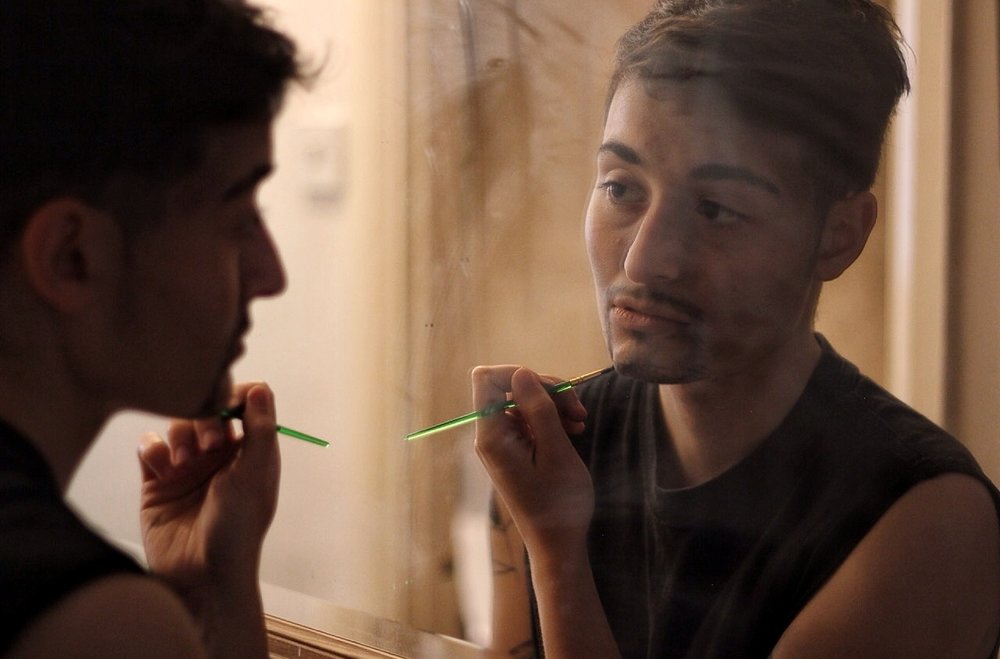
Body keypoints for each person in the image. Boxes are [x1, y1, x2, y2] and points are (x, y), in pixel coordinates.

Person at [472, 1, 1000, 657]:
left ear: (838, 235)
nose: (643, 261)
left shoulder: (926, 520)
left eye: (717, 209)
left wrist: (556, 553)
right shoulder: (551, 455)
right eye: (621, 188)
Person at [0, 1, 307, 657]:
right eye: (238, 217)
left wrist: (217, 592)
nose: (271, 274)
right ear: (72, 257)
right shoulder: (91, 625)